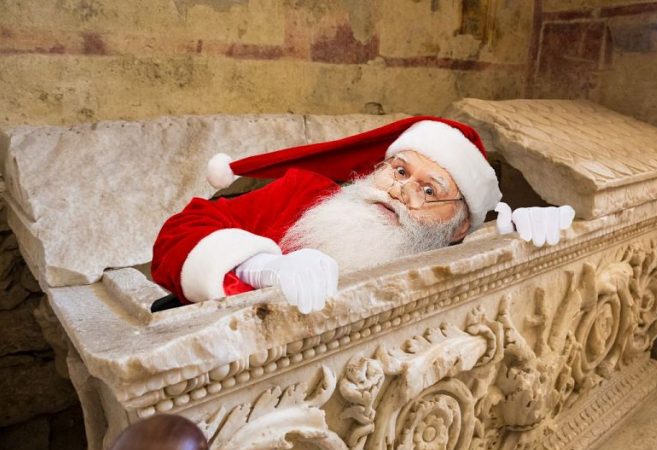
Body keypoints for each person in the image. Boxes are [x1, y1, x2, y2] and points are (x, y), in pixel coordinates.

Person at [151, 116, 573, 313]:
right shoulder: (305, 191)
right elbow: (178, 233)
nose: (401, 191)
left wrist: (520, 243)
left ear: (459, 225)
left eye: (429, 190)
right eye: (400, 170)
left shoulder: (446, 248)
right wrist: (260, 266)